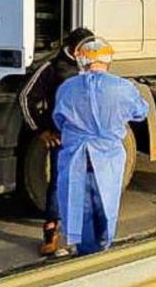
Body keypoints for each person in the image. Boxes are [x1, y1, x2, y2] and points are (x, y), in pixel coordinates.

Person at [52, 37, 149, 256]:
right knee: (106, 204)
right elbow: (141, 112)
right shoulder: (123, 87)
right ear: (108, 60)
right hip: (107, 158)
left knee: (79, 205)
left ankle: (85, 252)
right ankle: (103, 248)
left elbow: (58, 119)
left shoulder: (67, 88)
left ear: (81, 60)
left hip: (76, 155)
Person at [19, 26, 94, 256]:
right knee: (59, 185)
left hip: (88, 138)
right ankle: (51, 234)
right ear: (73, 48)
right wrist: (42, 130)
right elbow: (26, 98)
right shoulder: (53, 68)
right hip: (62, 138)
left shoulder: (93, 67)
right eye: (86, 47)